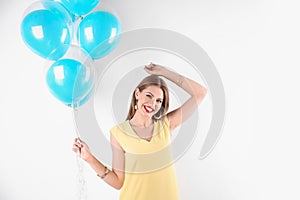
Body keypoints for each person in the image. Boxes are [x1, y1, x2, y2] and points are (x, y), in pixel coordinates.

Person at [72, 63, 207, 200]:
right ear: (137, 94)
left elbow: (200, 93)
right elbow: (118, 182)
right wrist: (89, 159)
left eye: (159, 101)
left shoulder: (166, 125)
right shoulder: (118, 133)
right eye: (149, 96)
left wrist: (165, 73)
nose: (153, 104)